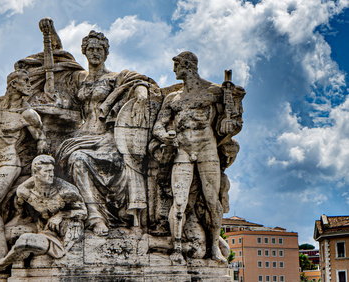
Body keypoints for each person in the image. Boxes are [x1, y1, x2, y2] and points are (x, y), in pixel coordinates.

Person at [55, 29, 160, 236]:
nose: (95, 53)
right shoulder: (78, 79)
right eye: (91, 49)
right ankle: (94, 217)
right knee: (74, 158)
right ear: (84, 51)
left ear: (106, 53)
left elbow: (139, 82)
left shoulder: (116, 77)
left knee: (101, 162)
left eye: (99, 49)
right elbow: (57, 63)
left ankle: (106, 216)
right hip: (81, 137)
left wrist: (141, 92)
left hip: (108, 137)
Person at [153, 51, 237, 264]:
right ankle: (177, 248)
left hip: (207, 149)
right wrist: (166, 136)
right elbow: (158, 127)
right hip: (183, 150)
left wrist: (229, 120)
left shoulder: (214, 91)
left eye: (177, 65)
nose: (174, 70)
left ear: (188, 66)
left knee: (212, 200)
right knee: (178, 201)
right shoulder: (173, 99)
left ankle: (213, 248)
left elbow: (233, 120)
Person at [0, 69, 48, 273]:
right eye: (25, 81)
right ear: (13, 84)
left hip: (10, 162)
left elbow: (42, 142)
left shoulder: (28, 114)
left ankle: (1, 254)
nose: (29, 85)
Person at [0, 155, 87, 277]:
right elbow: (21, 212)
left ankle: (0, 265)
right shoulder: (25, 191)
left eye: (52, 171)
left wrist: (61, 215)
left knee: (24, 241)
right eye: (47, 171)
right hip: (42, 227)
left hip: (63, 234)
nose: (51, 174)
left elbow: (83, 212)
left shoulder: (66, 191)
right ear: (35, 173)